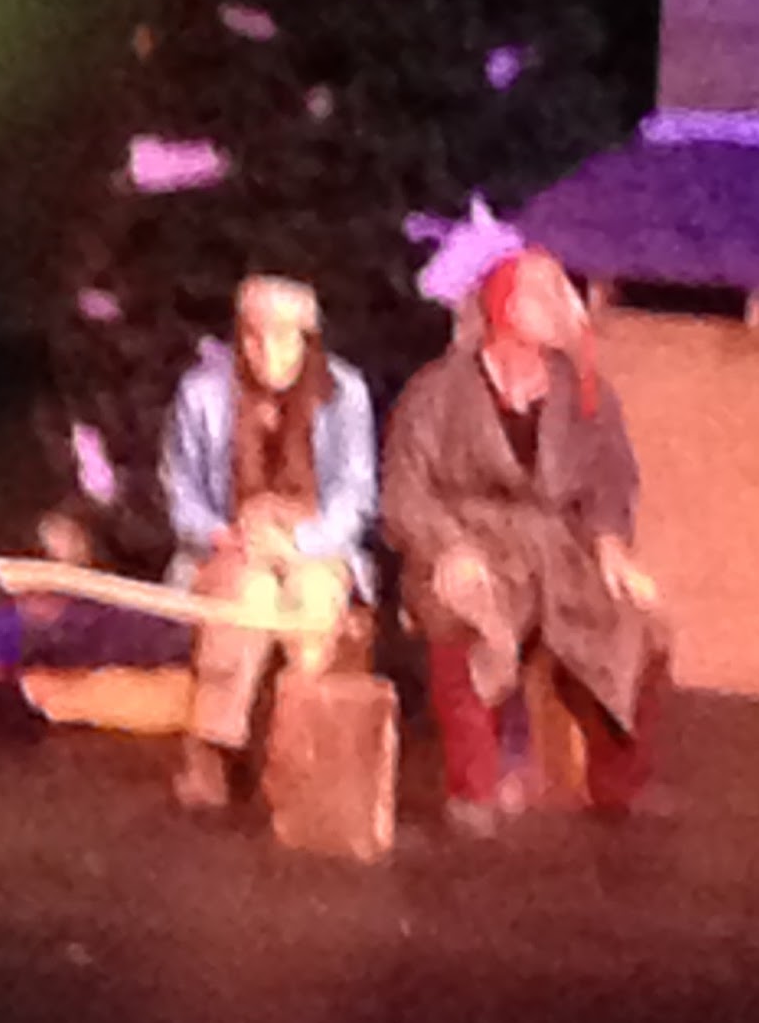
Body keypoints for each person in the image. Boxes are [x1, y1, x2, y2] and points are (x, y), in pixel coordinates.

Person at [380, 247, 669, 837]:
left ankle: (619, 786)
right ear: (505, 306)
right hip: (468, 543)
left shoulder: (585, 395)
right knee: (463, 615)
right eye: (542, 292)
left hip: (558, 552)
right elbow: (405, 491)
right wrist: (447, 548)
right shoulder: (438, 392)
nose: (560, 304)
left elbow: (611, 479)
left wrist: (611, 544)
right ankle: (474, 788)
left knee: (635, 623)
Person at [160, 275, 377, 812]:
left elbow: (355, 494)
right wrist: (221, 534)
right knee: (247, 599)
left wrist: (299, 542)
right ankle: (214, 744)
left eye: (282, 337)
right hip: (233, 544)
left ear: (307, 339)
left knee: (311, 606)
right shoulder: (204, 393)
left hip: (313, 543)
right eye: (254, 336)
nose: (266, 351)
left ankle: (299, 749)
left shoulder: (344, 392)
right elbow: (180, 487)